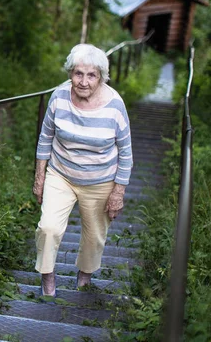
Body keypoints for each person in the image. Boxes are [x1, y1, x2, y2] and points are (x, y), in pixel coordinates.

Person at [33, 43, 133, 296]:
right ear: (70, 74)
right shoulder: (59, 96)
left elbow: (126, 153)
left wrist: (118, 192)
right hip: (61, 174)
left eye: (91, 75)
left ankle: (84, 278)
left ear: (101, 77)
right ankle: (48, 278)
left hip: (100, 180)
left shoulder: (115, 106)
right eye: (78, 73)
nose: (84, 81)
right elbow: (45, 137)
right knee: (48, 227)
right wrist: (40, 177)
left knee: (94, 235)